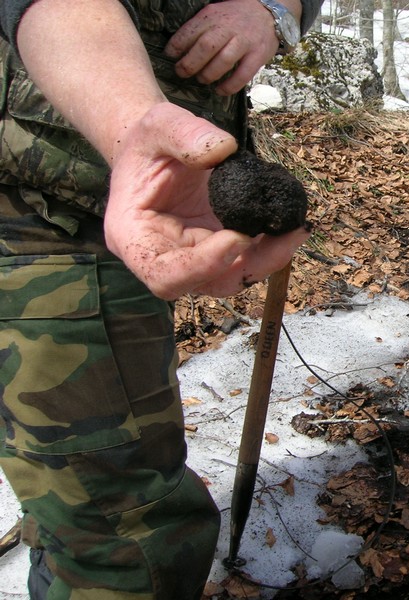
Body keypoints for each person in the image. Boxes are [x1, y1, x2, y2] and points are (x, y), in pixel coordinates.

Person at [0, 0, 321, 597]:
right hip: (47, 211)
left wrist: (276, 10)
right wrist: (134, 129)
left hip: (157, 209)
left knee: (80, 502)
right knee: (128, 547)